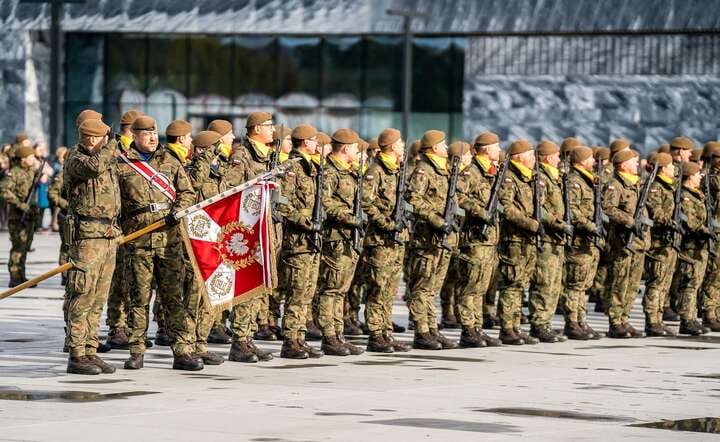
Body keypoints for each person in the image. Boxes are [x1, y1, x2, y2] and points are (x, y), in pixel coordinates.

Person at [117, 115, 201, 371]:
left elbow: (188, 192)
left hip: (169, 240)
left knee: (173, 297)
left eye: (155, 133)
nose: (153, 138)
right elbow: (114, 203)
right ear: (135, 135)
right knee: (139, 298)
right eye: (146, 133)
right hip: (138, 241)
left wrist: (179, 209)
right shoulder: (122, 165)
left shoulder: (170, 160)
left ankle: (182, 351)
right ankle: (136, 350)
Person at [63, 118, 121, 375]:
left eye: (101, 137)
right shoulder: (77, 158)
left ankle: (90, 349)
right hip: (87, 236)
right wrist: (112, 144)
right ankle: (76, 353)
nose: (93, 140)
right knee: (83, 295)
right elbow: (95, 166)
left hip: (107, 234)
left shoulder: (105, 158)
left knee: (99, 298)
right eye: (101, 137)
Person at [404, 130, 459, 350]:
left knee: (432, 289)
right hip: (426, 239)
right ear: (434, 147)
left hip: (441, 240)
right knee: (422, 288)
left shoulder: (442, 171)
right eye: (443, 144)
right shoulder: (423, 171)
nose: (446, 148)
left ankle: (431, 328)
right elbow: (412, 200)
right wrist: (436, 220)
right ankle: (421, 331)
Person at [316, 128, 365, 356]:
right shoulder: (329, 173)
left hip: (349, 238)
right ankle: (329, 336)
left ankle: (338, 334)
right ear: (345, 148)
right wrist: (349, 218)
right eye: (355, 148)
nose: (357, 151)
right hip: (336, 238)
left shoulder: (351, 172)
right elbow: (325, 202)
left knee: (341, 290)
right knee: (331, 289)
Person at [361, 128, 411, 353]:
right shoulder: (376, 170)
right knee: (378, 288)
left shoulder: (397, 170)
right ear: (391, 146)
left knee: (390, 290)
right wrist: (386, 222)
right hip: (380, 239)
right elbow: (366, 202)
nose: (402, 146)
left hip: (397, 239)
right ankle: (375, 334)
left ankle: (385, 331)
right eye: (399, 143)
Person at [277, 124, 324, 359]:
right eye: (314, 140)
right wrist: (304, 221)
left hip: (311, 241)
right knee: (297, 292)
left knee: (306, 292)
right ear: (305, 142)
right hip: (297, 241)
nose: (317, 144)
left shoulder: (312, 167)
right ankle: (290, 341)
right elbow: (282, 203)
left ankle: (300, 337)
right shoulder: (292, 168)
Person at [453, 132, 504, 348]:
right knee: (471, 285)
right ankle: (467, 330)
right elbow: (457, 195)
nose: (499, 149)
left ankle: (476, 328)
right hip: (474, 239)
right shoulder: (472, 172)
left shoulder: (492, 172)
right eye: (496, 146)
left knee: (481, 287)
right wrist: (480, 212)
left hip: (488, 241)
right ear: (487, 149)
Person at [496, 140, 541, 345]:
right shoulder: (509, 178)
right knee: (512, 284)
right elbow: (506, 208)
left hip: (526, 240)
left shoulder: (527, 177)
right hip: (514, 238)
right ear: (519, 157)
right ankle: (506, 328)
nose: (533, 158)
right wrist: (529, 223)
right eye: (530, 154)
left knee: (520, 284)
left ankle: (515, 326)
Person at [602, 149, 649, 338]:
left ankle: (625, 319)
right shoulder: (615, 184)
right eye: (633, 161)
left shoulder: (635, 184)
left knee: (632, 283)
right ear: (622, 165)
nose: (637, 165)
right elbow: (608, 207)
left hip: (638, 243)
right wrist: (629, 222)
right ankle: (615, 322)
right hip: (622, 242)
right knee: (619, 282)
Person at [562, 146, 603, 340]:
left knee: (583, 284)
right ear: (580, 161)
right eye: (590, 158)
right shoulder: (575, 182)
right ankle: (572, 323)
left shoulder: (587, 180)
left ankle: (581, 321)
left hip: (588, 241)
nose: (593, 161)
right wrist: (588, 225)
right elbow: (572, 211)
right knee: (575, 284)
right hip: (579, 240)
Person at [643, 152, 678, 336]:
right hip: (659, 242)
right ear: (663, 168)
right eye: (671, 166)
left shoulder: (669, 187)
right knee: (656, 282)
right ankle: (651, 321)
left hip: (669, 242)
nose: (674, 169)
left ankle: (658, 319)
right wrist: (672, 222)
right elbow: (655, 211)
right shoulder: (656, 187)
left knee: (664, 282)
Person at [0, 144, 39, 287]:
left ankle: (21, 276)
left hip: (28, 215)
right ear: (23, 159)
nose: (33, 159)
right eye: (30, 157)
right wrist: (20, 204)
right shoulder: (14, 172)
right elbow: (4, 190)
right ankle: (14, 276)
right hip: (17, 216)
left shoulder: (30, 171)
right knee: (18, 246)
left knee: (25, 246)